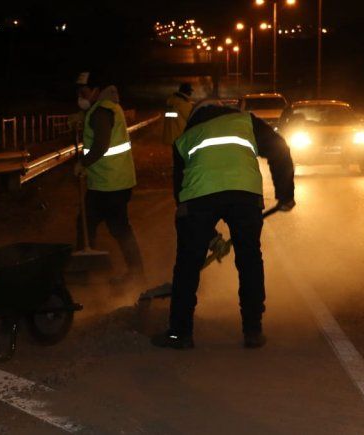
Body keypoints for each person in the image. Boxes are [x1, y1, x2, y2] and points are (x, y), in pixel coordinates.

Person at [152, 101, 296, 350]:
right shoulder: (246, 121)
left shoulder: (185, 138)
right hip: (245, 195)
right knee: (249, 259)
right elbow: (280, 148)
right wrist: (285, 194)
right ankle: (253, 330)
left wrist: (209, 237)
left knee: (188, 265)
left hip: (200, 197)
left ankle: (179, 333)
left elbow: (182, 198)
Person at [74, 71, 145, 285]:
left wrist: (82, 163)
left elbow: (101, 145)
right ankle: (134, 271)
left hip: (108, 183)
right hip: (113, 180)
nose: (81, 96)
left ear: (96, 90)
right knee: (113, 226)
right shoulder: (107, 107)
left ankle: (85, 273)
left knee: (92, 223)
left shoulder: (101, 112)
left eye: (84, 91)